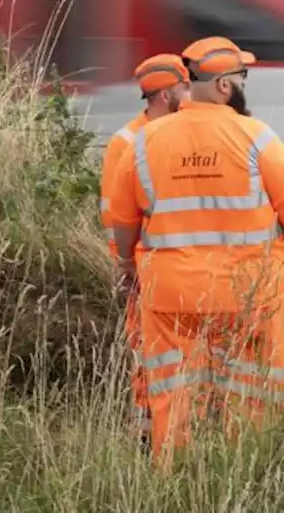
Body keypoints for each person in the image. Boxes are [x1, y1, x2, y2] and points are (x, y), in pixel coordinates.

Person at [104, 36, 284, 465]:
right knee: (253, 392)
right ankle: (243, 472)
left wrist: (126, 265)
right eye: (241, 76)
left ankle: (175, 479)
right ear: (225, 85)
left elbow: (123, 221)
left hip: (172, 297)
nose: (243, 84)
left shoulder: (144, 142)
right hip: (252, 295)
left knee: (174, 393)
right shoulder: (258, 138)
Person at [99, 53, 191, 446]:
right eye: (187, 89)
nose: (192, 96)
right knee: (148, 351)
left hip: (177, 266)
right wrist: (128, 267)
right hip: (145, 268)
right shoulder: (130, 143)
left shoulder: (150, 137)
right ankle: (147, 429)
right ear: (168, 96)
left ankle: (170, 426)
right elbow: (118, 218)